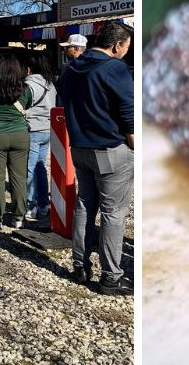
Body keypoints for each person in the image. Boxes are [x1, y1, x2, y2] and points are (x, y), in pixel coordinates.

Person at [58, 22, 134, 296]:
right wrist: (135, 144)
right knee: (113, 213)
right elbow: (128, 110)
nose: (126, 52)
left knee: (84, 205)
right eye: (126, 47)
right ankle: (111, 276)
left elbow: (64, 99)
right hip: (111, 149)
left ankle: (80, 265)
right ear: (116, 46)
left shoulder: (72, 69)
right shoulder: (114, 68)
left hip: (80, 147)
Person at [0, 52, 34, 231]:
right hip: (20, 135)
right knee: (19, 178)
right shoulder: (25, 89)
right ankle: (19, 217)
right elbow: (26, 106)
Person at [23, 53, 57, 222]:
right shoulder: (50, 84)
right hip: (47, 130)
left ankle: (30, 206)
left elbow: (23, 106)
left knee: (29, 169)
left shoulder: (28, 84)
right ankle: (43, 204)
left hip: (33, 130)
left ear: (29, 68)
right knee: (40, 167)